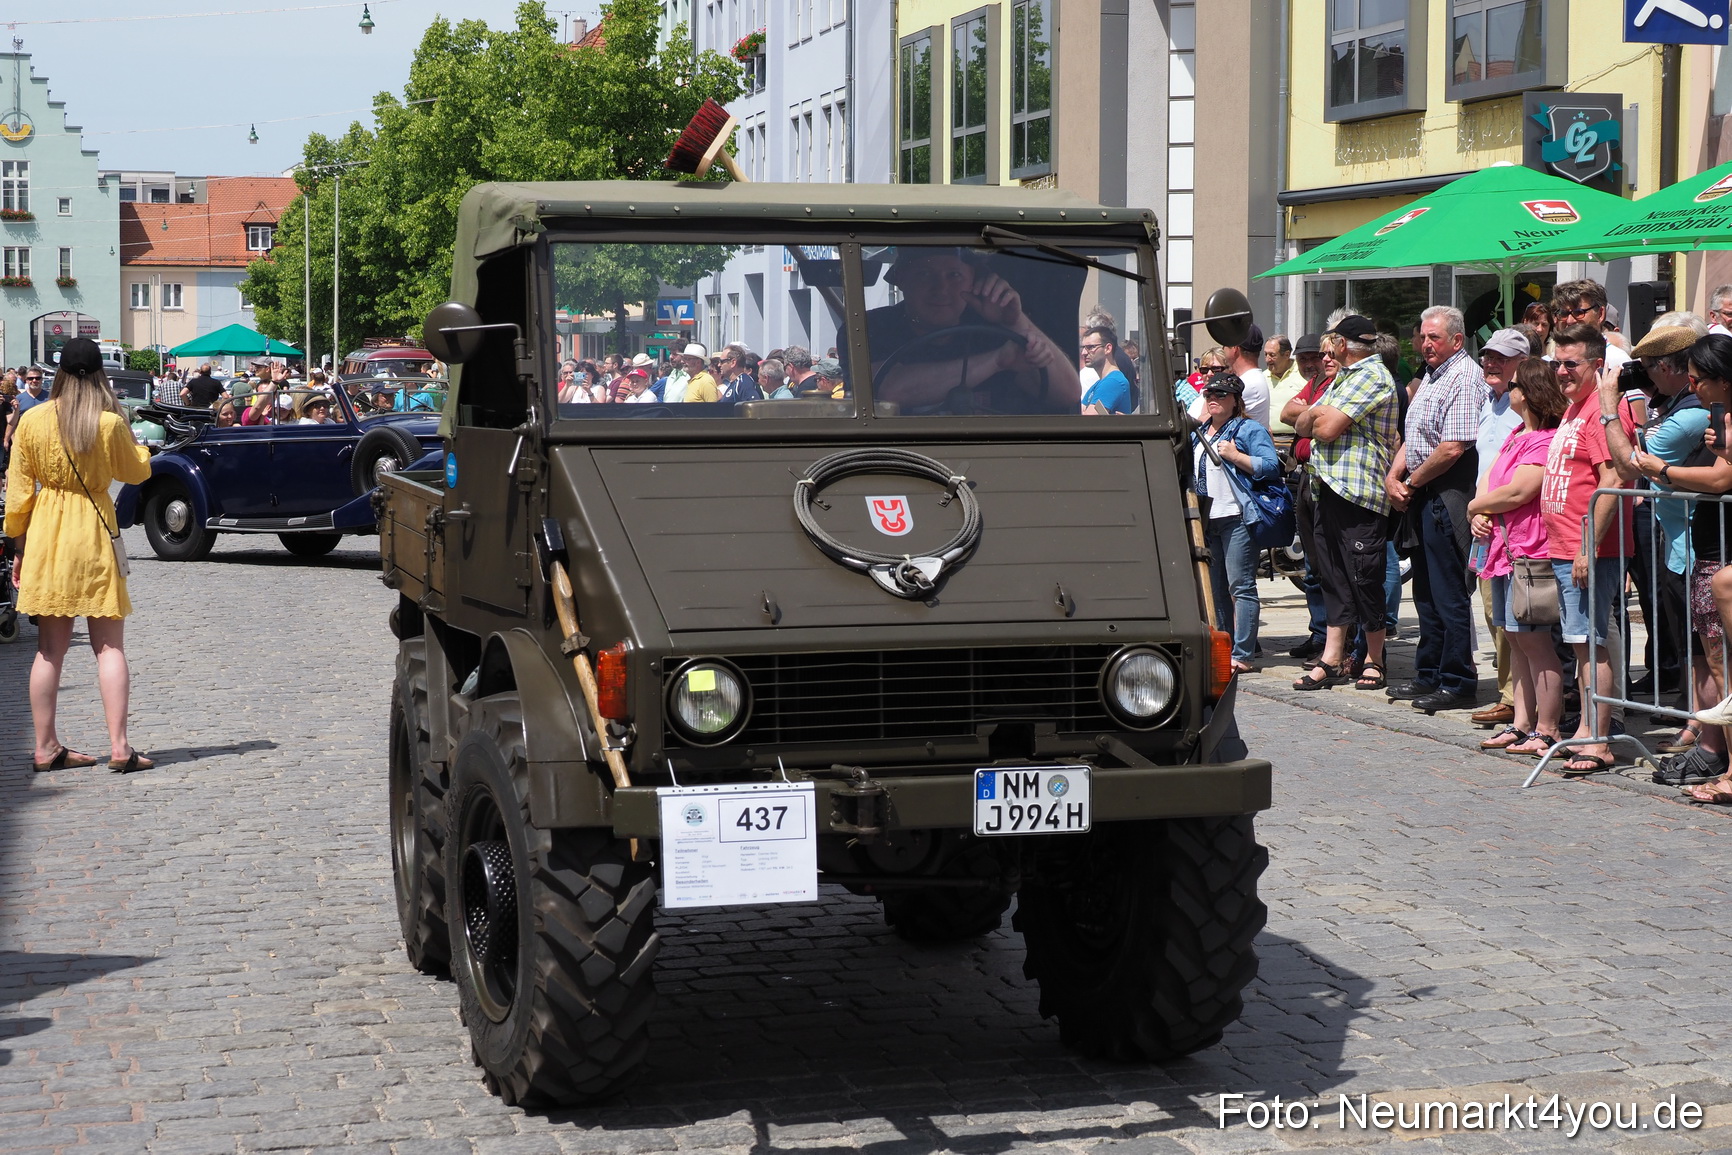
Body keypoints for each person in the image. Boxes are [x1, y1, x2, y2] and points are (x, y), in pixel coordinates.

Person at [4, 338, 153, 773]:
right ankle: (120, 747)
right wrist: (136, 441)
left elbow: (18, 494)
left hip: (47, 535)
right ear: (101, 375)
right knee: (109, 648)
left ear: (60, 375)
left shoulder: (32, 420)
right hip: (94, 532)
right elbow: (136, 472)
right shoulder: (108, 423)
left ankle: (45, 747)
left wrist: (18, 547)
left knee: (49, 650)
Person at [1540, 323, 1638, 776]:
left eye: (1571, 364)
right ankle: (1585, 728)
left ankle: (1598, 740)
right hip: (1567, 546)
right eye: (1556, 363)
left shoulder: (1601, 410)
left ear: (1597, 366)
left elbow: (1614, 478)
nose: (1561, 371)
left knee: (1592, 643)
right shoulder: (1574, 408)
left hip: (1590, 549)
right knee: (1581, 644)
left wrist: (1587, 546)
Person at [1602, 317, 1712, 714]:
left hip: (1697, 547)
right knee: (1690, 644)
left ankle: (1702, 723)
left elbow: (1628, 464)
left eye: (1647, 368)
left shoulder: (1689, 416)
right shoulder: (1675, 405)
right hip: (1680, 544)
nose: (1642, 376)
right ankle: (1696, 718)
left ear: (1664, 366)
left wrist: (1608, 407)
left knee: (1704, 646)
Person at [1289, 315, 1400, 693]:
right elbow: (1300, 421)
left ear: (1342, 344)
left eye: (1331, 343)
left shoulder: (1372, 376)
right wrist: (1316, 414)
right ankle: (1332, 658)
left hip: (1359, 494)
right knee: (1333, 577)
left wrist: (1317, 414)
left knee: (1364, 578)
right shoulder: (1344, 378)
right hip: (1328, 489)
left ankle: (1374, 659)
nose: (1326, 353)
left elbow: (1323, 428)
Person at [1385, 306, 1486, 713]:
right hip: (1422, 490)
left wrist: (1410, 482)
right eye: (1423, 337)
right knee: (1425, 593)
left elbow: (1453, 447)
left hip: (1446, 492)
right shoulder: (1431, 375)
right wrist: (1393, 476)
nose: (1425, 344)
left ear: (1457, 340)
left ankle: (1457, 680)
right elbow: (1415, 436)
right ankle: (1428, 673)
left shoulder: (1464, 376)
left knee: (1448, 593)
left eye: (1434, 338)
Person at [1468, 357, 1568, 756]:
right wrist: (1481, 512)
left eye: (1514, 386)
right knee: (1515, 638)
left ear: (1525, 394)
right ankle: (1522, 723)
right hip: (1503, 548)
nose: (1508, 391)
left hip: (1528, 550)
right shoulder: (1516, 434)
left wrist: (1475, 506)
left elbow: (1518, 491)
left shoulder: (1544, 439)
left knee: (1536, 642)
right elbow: (1492, 481)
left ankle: (1548, 727)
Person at [865, 247, 1079, 415]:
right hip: (901, 454)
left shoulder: (993, 331)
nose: (941, 288)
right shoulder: (873, 326)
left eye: (954, 275)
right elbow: (889, 390)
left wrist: (1015, 321)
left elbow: (1067, 394)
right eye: (925, 274)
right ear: (902, 279)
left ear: (974, 281)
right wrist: (997, 361)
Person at [1468, 328, 1534, 729]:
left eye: (1502, 359)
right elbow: (1488, 465)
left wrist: (1487, 508)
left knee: (1512, 613)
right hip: (1486, 518)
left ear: (1522, 365)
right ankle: (1508, 693)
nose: (1491, 364)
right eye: (1488, 356)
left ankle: (1514, 698)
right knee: (1493, 610)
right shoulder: (1490, 401)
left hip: (1512, 521)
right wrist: (1478, 509)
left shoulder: (1524, 406)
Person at [1192, 372, 1279, 672]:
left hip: (1237, 518)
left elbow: (1271, 466)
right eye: (1208, 394)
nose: (1213, 399)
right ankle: (1225, 649)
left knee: (1240, 587)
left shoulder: (1248, 429)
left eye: (1221, 394)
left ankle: (1243, 654)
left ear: (1235, 401)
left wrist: (1236, 456)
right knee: (1216, 590)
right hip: (1208, 520)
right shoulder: (1199, 431)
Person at [1224, 324, 1272, 429]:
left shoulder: (1247, 384)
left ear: (1235, 348)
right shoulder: (1250, 379)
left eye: (1225, 345)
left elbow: (1214, 419)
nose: (1223, 349)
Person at [1080, 327, 1135, 415]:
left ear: (1108, 348)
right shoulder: (1099, 383)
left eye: (1090, 347)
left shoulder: (1113, 382)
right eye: (1083, 347)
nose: (1084, 353)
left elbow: (1086, 420)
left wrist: (1083, 412)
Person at [1266, 334, 1305, 433]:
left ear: (1287, 355)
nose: (1267, 359)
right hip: (1268, 437)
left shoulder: (1303, 373)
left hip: (1294, 437)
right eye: (1265, 354)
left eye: (1272, 355)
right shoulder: (1262, 378)